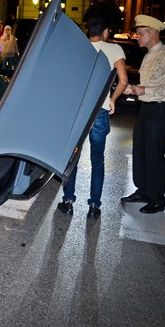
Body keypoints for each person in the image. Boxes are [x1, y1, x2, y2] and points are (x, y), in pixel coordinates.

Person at [56, 17, 129, 219]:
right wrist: (112, 99)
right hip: (100, 110)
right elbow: (123, 81)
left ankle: (68, 201)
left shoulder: (77, 48)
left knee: (72, 158)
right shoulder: (114, 49)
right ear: (105, 31)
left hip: (77, 111)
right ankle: (94, 206)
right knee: (98, 161)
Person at [121, 14, 165, 214]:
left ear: (153, 32)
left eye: (140, 33)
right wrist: (135, 89)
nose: (136, 36)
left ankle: (157, 198)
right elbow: (151, 84)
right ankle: (144, 190)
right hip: (146, 108)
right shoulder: (148, 55)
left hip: (160, 109)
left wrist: (143, 90)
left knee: (154, 154)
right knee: (140, 151)